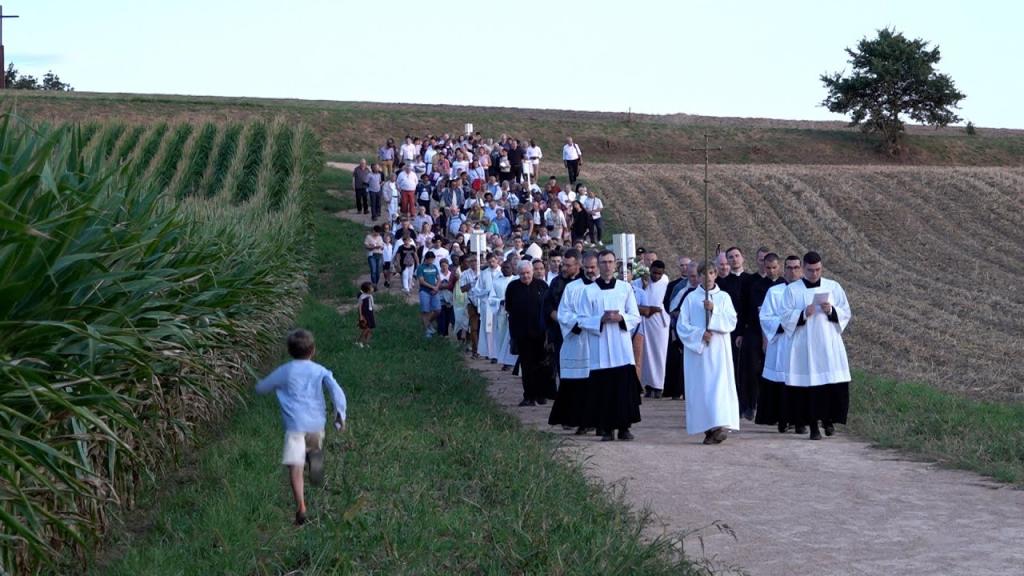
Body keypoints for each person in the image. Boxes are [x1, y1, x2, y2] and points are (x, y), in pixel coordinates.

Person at [255, 329, 347, 525]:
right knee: (314, 451)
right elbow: (336, 390)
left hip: (295, 426)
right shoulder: (320, 370)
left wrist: (260, 384)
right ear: (312, 350)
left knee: (295, 467)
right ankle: (315, 467)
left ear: (289, 351)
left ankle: (301, 506)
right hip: (316, 423)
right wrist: (340, 413)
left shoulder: (285, 371)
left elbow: (262, 388)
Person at [781, 251, 852, 440]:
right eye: (811, 270)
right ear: (804, 268)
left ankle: (828, 420)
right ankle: (812, 425)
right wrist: (803, 313)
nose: (814, 274)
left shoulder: (833, 287)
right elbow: (785, 316)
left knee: (830, 385)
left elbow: (845, 311)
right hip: (805, 345)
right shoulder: (792, 290)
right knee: (809, 388)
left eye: (818, 270)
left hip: (828, 343)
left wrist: (832, 310)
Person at [579, 249, 642, 441]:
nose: (607, 266)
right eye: (603, 262)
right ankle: (605, 428)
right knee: (602, 390)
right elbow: (581, 319)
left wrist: (620, 317)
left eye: (610, 262)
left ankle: (624, 427)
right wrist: (601, 319)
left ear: (615, 265)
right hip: (600, 348)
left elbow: (635, 315)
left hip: (621, 347)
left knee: (623, 389)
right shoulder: (589, 291)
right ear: (598, 265)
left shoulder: (625, 288)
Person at [676, 261, 739, 444]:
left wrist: (714, 310)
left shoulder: (724, 297)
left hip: (719, 349)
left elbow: (731, 321)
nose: (709, 277)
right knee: (701, 387)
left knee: (718, 387)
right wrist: (699, 334)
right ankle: (708, 426)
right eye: (704, 274)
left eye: (712, 273)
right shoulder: (690, 298)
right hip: (699, 352)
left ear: (716, 274)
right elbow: (682, 325)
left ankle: (720, 425)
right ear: (699, 276)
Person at [549, 251, 595, 433]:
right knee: (575, 383)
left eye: (594, 267)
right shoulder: (571, 287)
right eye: (589, 267)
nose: (591, 271)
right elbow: (563, 312)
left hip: (594, 342)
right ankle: (577, 419)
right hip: (575, 341)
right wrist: (576, 323)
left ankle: (594, 421)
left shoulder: (599, 288)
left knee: (593, 383)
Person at [758, 254, 803, 433]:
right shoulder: (775, 291)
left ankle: (800, 421)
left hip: (801, 343)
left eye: (796, 267)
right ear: (784, 269)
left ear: (801, 269)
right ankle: (783, 419)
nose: (792, 271)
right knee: (782, 383)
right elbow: (765, 317)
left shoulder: (805, 291)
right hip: (782, 342)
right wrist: (786, 323)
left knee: (800, 382)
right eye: (789, 268)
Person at [505, 260, 552, 406]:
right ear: (518, 274)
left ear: (532, 272)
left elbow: (548, 308)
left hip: (541, 333)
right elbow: (509, 307)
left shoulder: (542, 286)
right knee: (526, 365)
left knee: (542, 364)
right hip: (522, 333)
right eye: (522, 273)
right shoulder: (513, 287)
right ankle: (529, 396)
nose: (525, 276)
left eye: (528, 273)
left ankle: (541, 394)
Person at [636, 260, 670, 398]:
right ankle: (648, 385)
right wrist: (644, 286)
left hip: (659, 322)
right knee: (645, 354)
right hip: (645, 320)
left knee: (659, 353)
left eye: (659, 274)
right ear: (650, 270)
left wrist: (656, 310)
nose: (656, 276)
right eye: (654, 272)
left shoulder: (666, 282)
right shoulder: (642, 281)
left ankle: (659, 385)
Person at [415, 251, 442, 338]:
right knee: (425, 311)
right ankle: (427, 330)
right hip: (424, 291)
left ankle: (429, 322)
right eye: (430, 259)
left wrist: (436, 287)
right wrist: (432, 287)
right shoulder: (421, 268)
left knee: (438, 310)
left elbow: (438, 278)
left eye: (432, 260)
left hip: (434, 291)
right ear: (426, 259)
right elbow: (421, 281)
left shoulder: (434, 267)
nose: (431, 261)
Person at [357, 281, 375, 348]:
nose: (373, 289)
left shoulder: (370, 296)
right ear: (367, 290)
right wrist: (361, 316)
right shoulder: (362, 297)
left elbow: (372, 306)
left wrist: (373, 314)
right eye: (371, 288)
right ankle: (359, 341)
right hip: (365, 314)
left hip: (370, 313)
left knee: (370, 329)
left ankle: (367, 342)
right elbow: (360, 307)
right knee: (366, 328)